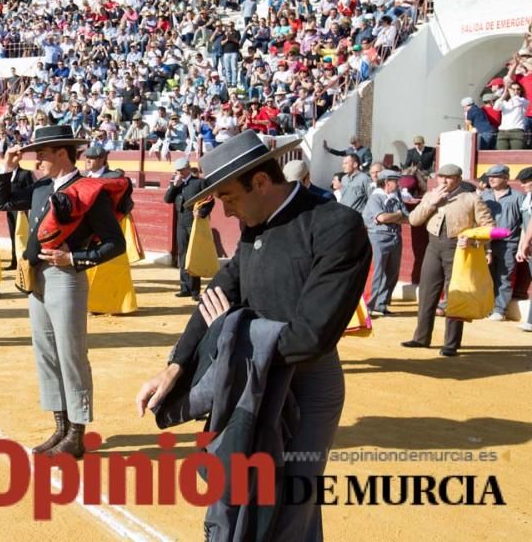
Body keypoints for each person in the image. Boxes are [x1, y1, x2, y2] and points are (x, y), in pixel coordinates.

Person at [135, 130, 371, 540]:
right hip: (251, 375)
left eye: (229, 198)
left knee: (291, 500)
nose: (226, 213)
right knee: (249, 490)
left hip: (306, 382)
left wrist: (233, 328)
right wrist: (174, 367)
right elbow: (218, 294)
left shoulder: (336, 225)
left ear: (261, 182)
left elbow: (310, 337)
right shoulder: (256, 224)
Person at [0, 125, 126, 458]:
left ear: (63, 154)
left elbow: (115, 244)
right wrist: (6, 168)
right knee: (47, 353)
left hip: (66, 277)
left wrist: (74, 258)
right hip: (37, 278)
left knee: (71, 353)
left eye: (43, 153)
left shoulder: (88, 192)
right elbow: (2, 202)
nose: (37, 158)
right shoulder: (41, 190)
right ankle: (61, 428)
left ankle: (77, 434)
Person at [403, 164, 494, 357]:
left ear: (458, 179)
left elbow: (489, 227)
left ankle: (451, 344)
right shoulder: (430, 196)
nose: (444, 181)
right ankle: (421, 338)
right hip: (433, 247)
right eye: (441, 177)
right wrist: (432, 203)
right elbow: (413, 220)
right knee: (427, 292)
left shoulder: (471, 199)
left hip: (458, 250)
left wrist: (472, 237)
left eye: (449, 177)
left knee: (455, 294)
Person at [83, 145, 138, 315]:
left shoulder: (115, 178)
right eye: (86, 158)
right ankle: (95, 304)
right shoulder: (84, 178)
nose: (87, 161)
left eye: (91, 158)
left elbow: (127, 203)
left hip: (109, 230)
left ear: (101, 159)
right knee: (91, 267)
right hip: (88, 231)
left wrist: (114, 220)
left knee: (113, 267)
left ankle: (117, 303)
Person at [164, 157, 213, 299]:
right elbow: (167, 200)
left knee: (193, 254)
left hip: (195, 223)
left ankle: (195, 291)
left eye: (181, 170)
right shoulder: (176, 183)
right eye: (177, 171)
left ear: (187, 168)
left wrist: (202, 212)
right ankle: (185, 287)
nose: (178, 173)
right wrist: (174, 186)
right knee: (183, 254)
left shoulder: (199, 182)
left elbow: (209, 200)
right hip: (181, 223)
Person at [361, 169, 409, 316]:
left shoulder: (396, 197)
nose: (398, 184)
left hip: (394, 237)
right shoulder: (375, 198)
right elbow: (381, 218)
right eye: (396, 181)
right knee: (377, 272)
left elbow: (407, 218)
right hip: (377, 237)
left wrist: (392, 217)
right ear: (387, 182)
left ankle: (381, 304)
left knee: (392, 273)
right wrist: (397, 215)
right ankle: (369, 306)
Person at [479, 165, 523, 321]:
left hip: (508, 243)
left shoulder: (518, 197)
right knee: (486, 276)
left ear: (506, 178)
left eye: (496, 176)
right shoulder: (484, 195)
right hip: (485, 242)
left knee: (504, 276)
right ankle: (488, 307)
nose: (491, 179)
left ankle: (500, 309)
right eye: (489, 176)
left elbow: (524, 223)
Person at [2, 161, 35, 271]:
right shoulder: (7, 174)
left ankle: (23, 260)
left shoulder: (25, 173)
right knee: (13, 235)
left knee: (22, 235)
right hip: (10, 209)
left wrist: (25, 207)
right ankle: (14, 261)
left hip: (21, 210)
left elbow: (30, 191)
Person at [511, 166, 532, 332]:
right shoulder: (527, 198)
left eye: (526, 182)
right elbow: (525, 227)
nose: (523, 185)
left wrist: (525, 244)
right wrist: (520, 247)